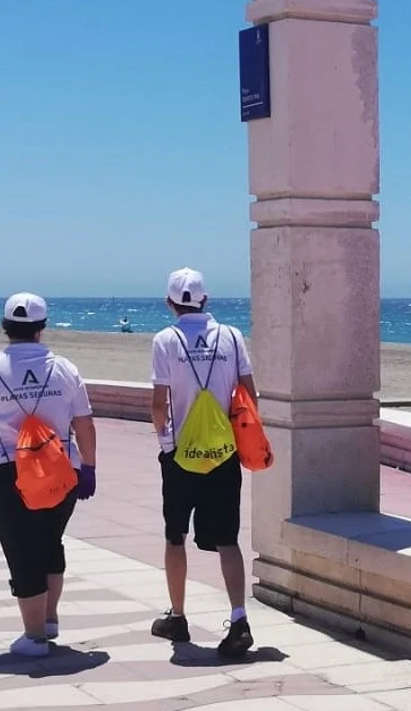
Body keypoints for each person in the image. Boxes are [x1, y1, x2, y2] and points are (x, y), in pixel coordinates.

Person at [0, 293, 97, 658]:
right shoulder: (65, 369)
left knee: (22, 550)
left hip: (7, 473)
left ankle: (33, 638)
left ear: (5, 327)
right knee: (50, 542)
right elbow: (84, 423)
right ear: (41, 328)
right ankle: (49, 619)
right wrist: (90, 468)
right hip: (61, 471)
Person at [147, 268, 257, 658]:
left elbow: (159, 403)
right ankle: (239, 617)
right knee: (227, 537)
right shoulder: (231, 336)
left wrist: (166, 443)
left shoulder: (166, 340)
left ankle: (178, 616)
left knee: (175, 535)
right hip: (223, 452)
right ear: (206, 300)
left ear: (170, 303)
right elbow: (248, 396)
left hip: (181, 455)